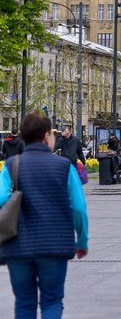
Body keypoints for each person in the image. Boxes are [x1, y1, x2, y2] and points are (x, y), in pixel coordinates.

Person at [0, 112, 89, 319]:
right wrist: (82, 240)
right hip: (54, 245)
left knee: (24, 303)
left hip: (18, 245)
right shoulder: (64, 167)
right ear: (47, 136)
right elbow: (78, 208)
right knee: (52, 301)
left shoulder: (12, 165)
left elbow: (2, 198)